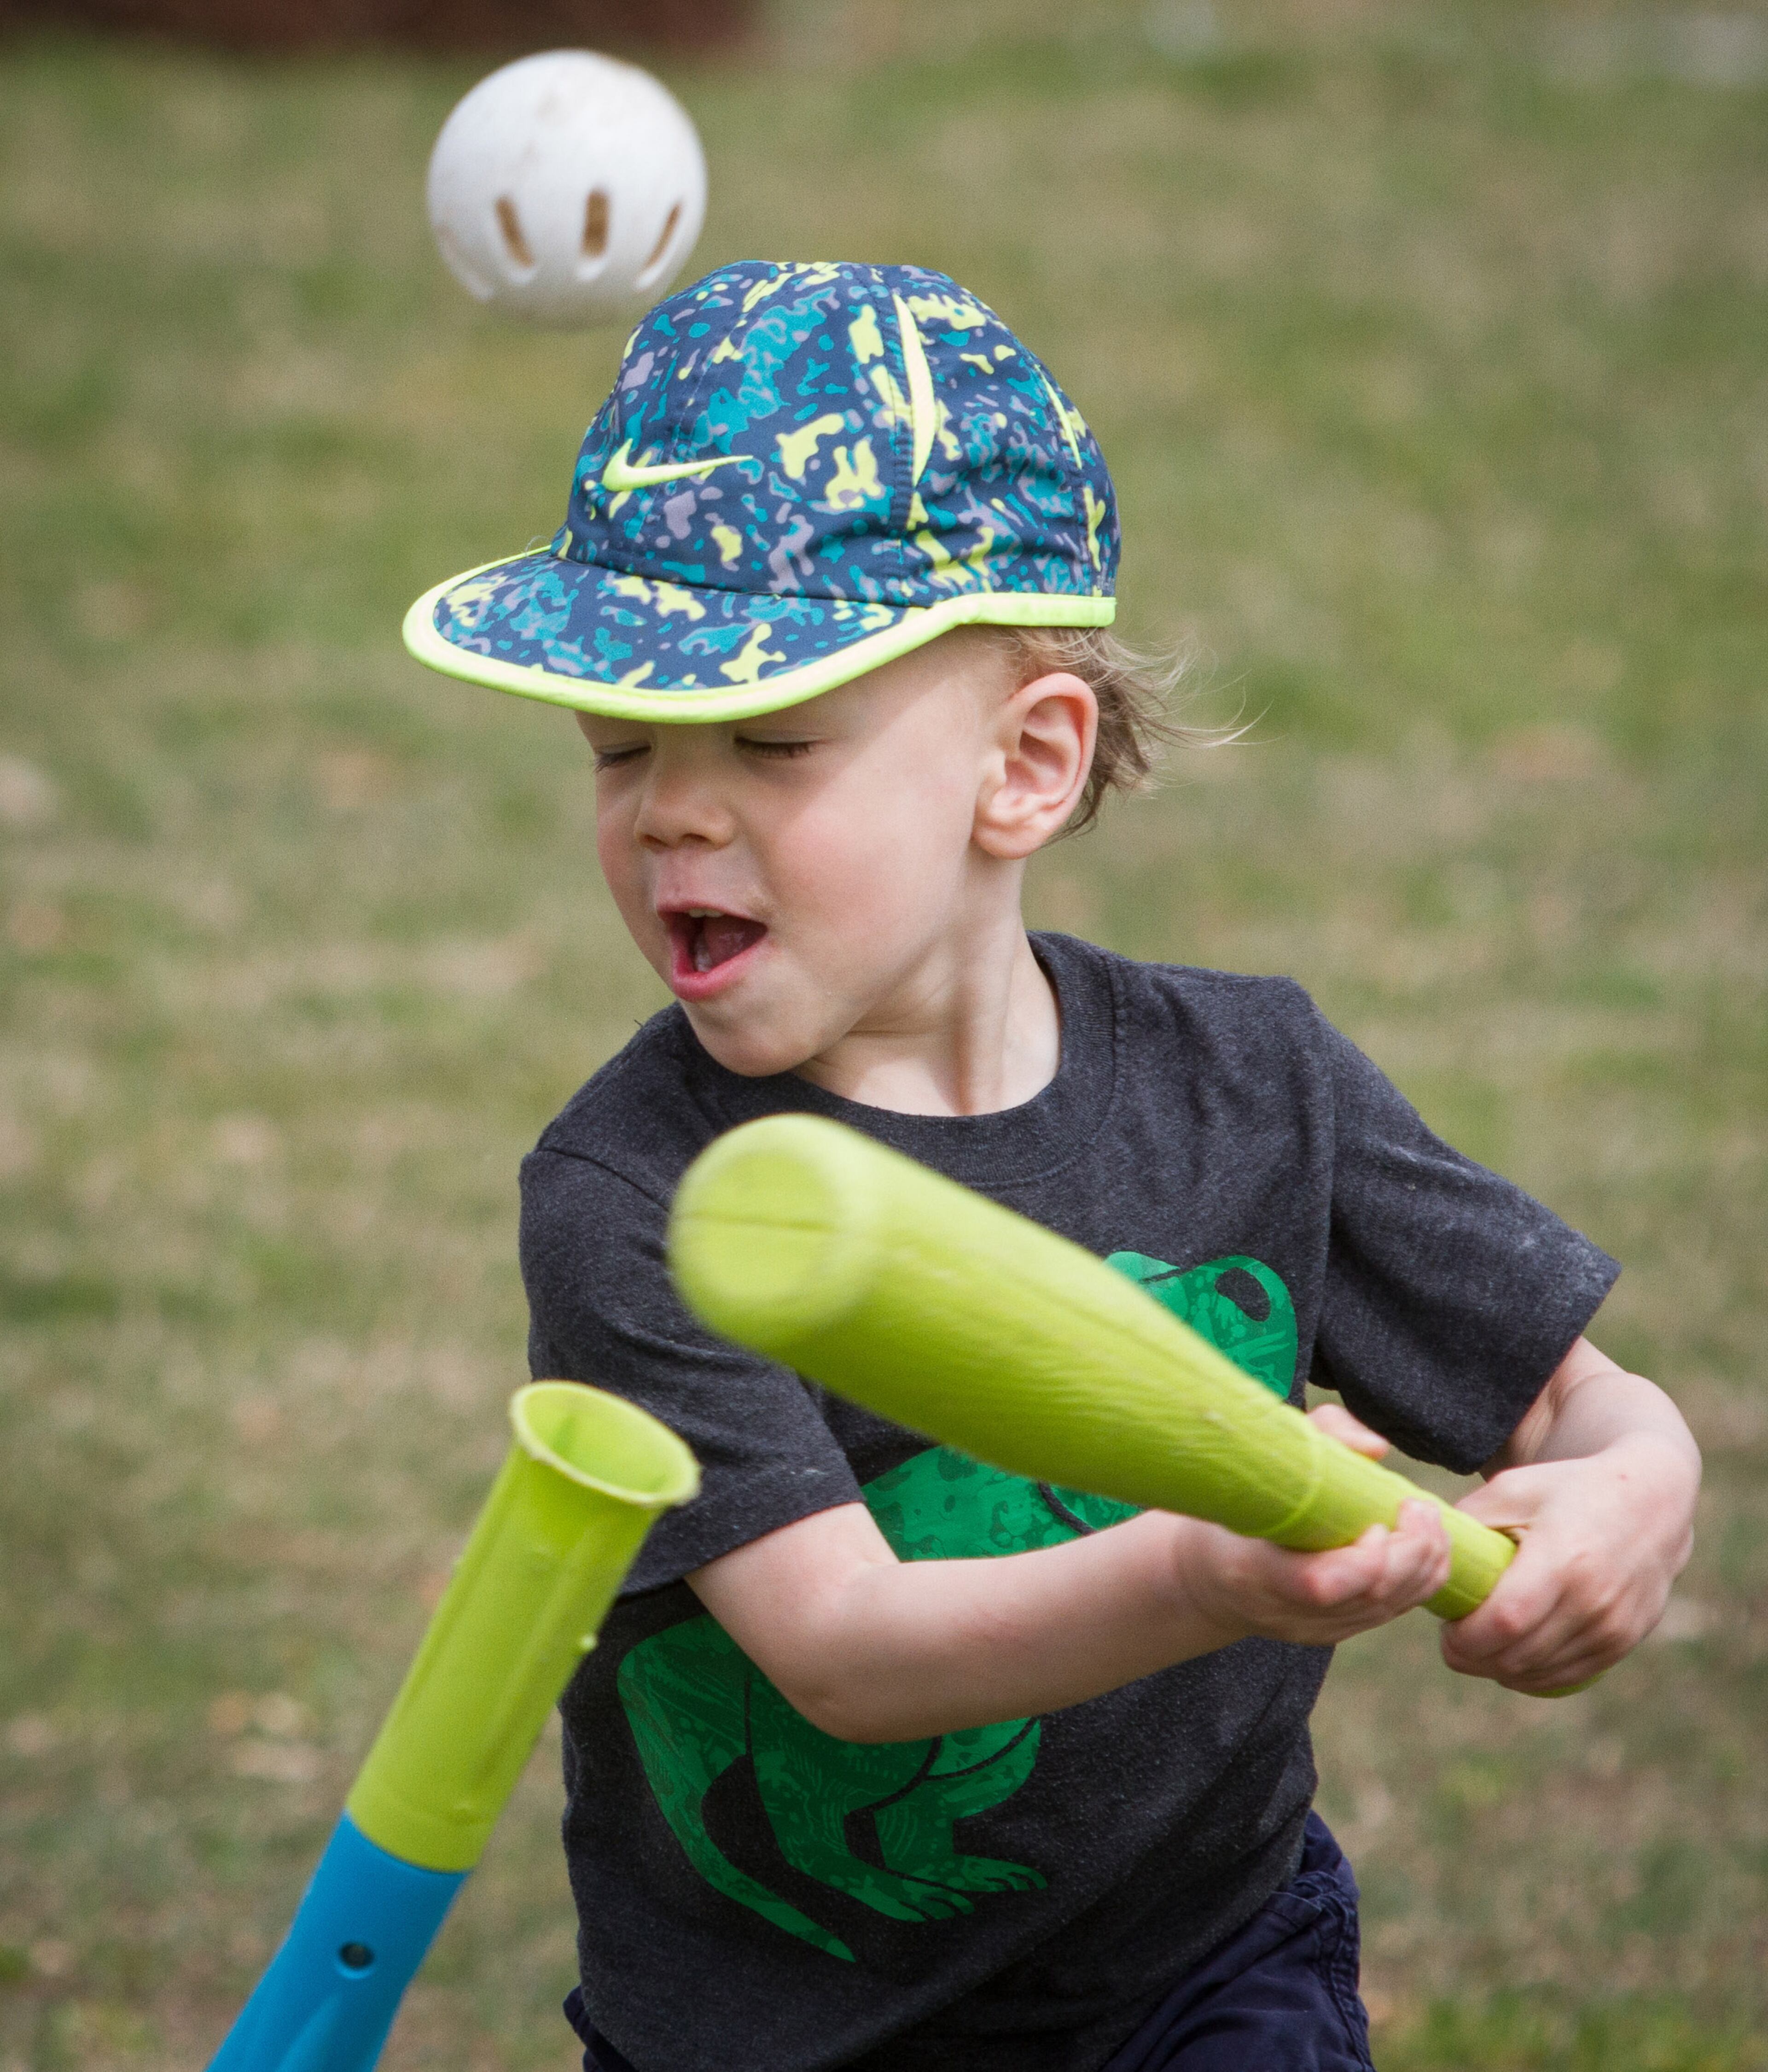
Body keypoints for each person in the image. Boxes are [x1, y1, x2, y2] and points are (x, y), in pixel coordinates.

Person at [403, 260, 1700, 2072]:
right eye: (619, 745)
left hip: (1198, 1979)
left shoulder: (1253, 1088)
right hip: (770, 2043)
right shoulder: (643, 1197)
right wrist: (1202, 1577)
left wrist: (1643, 1481)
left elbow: (1583, 1406)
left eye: (774, 740)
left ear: (1025, 766)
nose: (670, 811)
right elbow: (844, 1652)